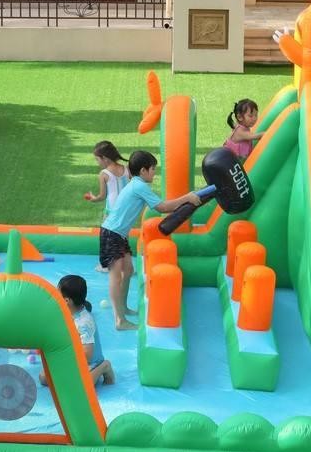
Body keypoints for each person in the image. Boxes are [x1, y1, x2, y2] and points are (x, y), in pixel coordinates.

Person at [100, 150, 202, 331]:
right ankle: (119, 320)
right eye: (153, 169)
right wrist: (187, 197)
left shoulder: (136, 184)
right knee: (116, 276)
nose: (154, 173)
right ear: (143, 171)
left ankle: (123, 309)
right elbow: (163, 207)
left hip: (118, 234)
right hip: (112, 233)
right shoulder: (139, 186)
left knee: (128, 270)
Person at [40, 274, 114, 387]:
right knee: (44, 378)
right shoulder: (66, 312)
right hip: (72, 357)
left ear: (66, 300)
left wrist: (66, 359)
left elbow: (87, 354)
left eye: (57, 293)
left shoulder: (84, 323)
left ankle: (104, 367)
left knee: (80, 386)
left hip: (90, 363)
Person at [82, 140, 129, 273]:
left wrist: (93, 198)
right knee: (124, 237)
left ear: (104, 158)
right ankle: (125, 266)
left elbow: (102, 196)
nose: (98, 162)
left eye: (97, 159)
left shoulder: (104, 174)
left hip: (111, 211)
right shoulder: (127, 169)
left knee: (107, 238)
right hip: (126, 210)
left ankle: (107, 265)